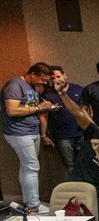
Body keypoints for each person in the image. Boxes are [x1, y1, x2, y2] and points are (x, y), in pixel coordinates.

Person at [2, 62, 56, 211]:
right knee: (31, 167)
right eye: (43, 80)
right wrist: (38, 107)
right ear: (33, 74)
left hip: (31, 130)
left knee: (27, 167)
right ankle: (34, 205)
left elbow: (29, 105)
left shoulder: (32, 86)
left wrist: (45, 107)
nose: (44, 84)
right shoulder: (14, 85)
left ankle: (29, 202)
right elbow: (12, 110)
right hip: (18, 132)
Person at [40, 66, 84, 177]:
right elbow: (43, 116)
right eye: (53, 78)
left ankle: (88, 187)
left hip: (81, 132)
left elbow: (87, 111)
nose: (56, 80)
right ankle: (76, 187)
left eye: (58, 76)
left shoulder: (78, 89)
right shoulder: (47, 94)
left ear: (65, 75)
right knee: (70, 164)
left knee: (85, 162)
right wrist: (43, 135)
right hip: (62, 135)